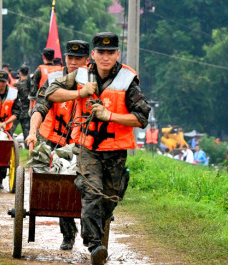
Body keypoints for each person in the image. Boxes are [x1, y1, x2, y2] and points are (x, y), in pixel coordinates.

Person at [44, 32, 150, 265]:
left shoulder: (127, 79)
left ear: (117, 54)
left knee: (109, 198)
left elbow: (142, 117)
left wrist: (109, 115)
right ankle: (94, 245)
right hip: (87, 146)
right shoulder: (80, 75)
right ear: (93, 54)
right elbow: (49, 92)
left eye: (110, 52)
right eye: (101, 52)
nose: (105, 57)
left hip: (115, 150)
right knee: (91, 190)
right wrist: (79, 93)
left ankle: (97, 234)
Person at [26, 40, 90, 251]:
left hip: (82, 142)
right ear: (64, 58)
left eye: (78, 58)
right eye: (70, 57)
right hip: (54, 140)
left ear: (87, 60)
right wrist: (32, 132)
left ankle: (92, 230)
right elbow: (40, 107)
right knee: (59, 182)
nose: (73, 62)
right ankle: (68, 235)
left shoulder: (94, 82)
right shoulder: (53, 80)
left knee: (84, 183)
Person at [29, 48, 63, 113]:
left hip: (42, 103)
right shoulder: (60, 70)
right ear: (53, 58)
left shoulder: (39, 70)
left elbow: (33, 90)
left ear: (43, 57)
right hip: (57, 103)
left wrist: (30, 108)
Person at [9, 65, 31, 141]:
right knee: (27, 133)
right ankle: (29, 149)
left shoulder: (16, 85)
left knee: (10, 131)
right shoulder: (31, 84)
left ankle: (6, 143)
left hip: (17, 112)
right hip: (27, 111)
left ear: (20, 73)